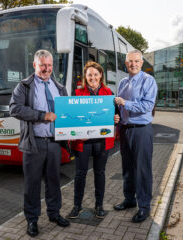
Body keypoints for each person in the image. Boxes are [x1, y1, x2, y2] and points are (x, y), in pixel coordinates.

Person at [9, 49, 70, 237]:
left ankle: (54, 214)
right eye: (43, 65)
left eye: (49, 65)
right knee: (32, 184)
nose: (46, 69)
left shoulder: (59, 88)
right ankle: (32, 220)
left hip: (53, 143)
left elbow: (67, 112)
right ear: (35, 65)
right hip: (34, 143)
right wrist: (41, 116)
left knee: (54, 181)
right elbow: (15, 108)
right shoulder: (24, 86)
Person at [68, 61, 120, 219]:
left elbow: (115, 116)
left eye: (95, 74)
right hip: (83, 143)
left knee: (100, 174)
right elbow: (72, 118)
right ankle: (77, 206)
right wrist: (76, 133)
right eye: (89, 74)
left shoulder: (109, 93)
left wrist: (116, 119)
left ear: (101, 76)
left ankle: (99, 205)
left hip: (102, 142)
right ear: (85, 76)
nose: (92, 77)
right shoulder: (77, 94)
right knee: (80, 175)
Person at [114, 49, 157, 223]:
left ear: (141, 63)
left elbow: (147, 105)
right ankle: (130, 199)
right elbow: (119, 108)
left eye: (137, 61)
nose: (133, 64)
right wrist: (117, 117)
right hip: (125, 130)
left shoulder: (149, 81)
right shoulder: (122, 82)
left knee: (142, 170)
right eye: (130, 61)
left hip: (141, 130)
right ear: (126, 63)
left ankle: (144, 207)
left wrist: (126, 103)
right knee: (128, 168)